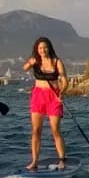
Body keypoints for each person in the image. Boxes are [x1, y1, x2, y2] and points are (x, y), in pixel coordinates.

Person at [22, 36, 67, 170]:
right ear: (37, 49)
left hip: (53, 96)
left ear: (49, 48)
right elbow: (24, 68)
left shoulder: (57, 62)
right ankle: (35, 161)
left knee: (55, 130)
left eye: (45, 47)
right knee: (36, 130)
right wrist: (30, 63)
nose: (42, 50)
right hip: (38, 96)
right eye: (40, 48)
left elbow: (65, 81)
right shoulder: (35, 61)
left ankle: (62, 159)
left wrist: (62, 93)